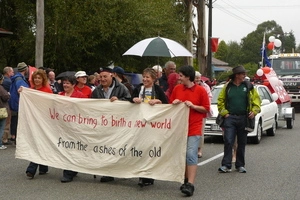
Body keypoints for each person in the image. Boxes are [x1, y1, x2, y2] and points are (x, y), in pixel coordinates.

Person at [169, 65, 210, 197]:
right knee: (183, 154)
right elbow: (170, 107)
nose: (179, 78)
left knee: (191, 153)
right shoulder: (177, 89)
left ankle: (191, 184)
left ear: (188, 77)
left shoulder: (201, 91)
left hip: (194, 127)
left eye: (181, 76)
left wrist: (193, 106)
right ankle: (186, 180)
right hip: (180, 127)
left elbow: (206, 109)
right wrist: (174, 103)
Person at [217, 66, 261, 174]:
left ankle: (240, 165)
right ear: (236, 75)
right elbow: (220, 100)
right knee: (228, 141)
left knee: (242, 142)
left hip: (243, 118)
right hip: (230, 118)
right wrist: (224, 113)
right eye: (242, 74)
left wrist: (254, 111)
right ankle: (226, 165)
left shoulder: (249, 86)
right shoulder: (227, 87)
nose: (244, 76)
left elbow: (257, 101)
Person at [91, 67, 131, 183]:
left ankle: (119, 170)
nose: (102, 79)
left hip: (117, 124)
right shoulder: (97, 90)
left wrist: (119, 101)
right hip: (102, 124)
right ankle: (107, 171)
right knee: (105, 147)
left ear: (111, 76)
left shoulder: (121, 88)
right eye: (101, 77)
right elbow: (90, 106)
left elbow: (129, 101)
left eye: (105, 77)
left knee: (117, 146)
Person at [131, 68, 168, 187]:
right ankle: (143, 174)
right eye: (144, 76)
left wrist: (158, 101)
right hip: (139, 123)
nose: (145, 79)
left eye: (148, 77)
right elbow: (129, 101)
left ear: (153, 79)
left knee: (150, 149)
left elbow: (167, 104)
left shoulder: (157, 90)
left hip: (153, 124)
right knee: (141, 148)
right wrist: (134, 99)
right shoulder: (138, 88)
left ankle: (149, 175)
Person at [25, 69, 53, 178]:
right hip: (33, 120)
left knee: (38, 142)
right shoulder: (31, 90)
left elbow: (50, 105)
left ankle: (31, 169)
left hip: (43, 120)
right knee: (39, 142)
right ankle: (43, 167)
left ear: (43, 79)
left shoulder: (46, 90)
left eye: (39, 78)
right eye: (35, 78)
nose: (37, 80)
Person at [59, 75, 85, 183]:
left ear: (73, 85)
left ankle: (71, 171)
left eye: (67, 83)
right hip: (63, 127)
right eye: (64, 83)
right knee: (66, 148)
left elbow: (85, 110)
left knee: (74, 148)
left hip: (76, 127)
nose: (65, 85)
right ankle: (69, 172)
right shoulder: (59, 95)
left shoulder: (80, 96)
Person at [9, 62, 30, 143]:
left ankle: (15, 137)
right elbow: (22, 92)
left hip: (15, 103)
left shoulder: (16, 78)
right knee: (18, 121)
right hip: (19, 104)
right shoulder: (20, 80)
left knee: (15, 120)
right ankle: (17, 139)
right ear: (25, 69)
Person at [194, 71, 212, 158]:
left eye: (198, 78)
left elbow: (209, 99)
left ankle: (199, 149)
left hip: (201, 111)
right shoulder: (190, 86)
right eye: (195, 78)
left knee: (200, 132)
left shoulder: (205, 87)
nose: (197, 80)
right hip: (192, 111)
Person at [2, 66, 14, 145]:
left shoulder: (3, 80)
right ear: (8, 72)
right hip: (5, 105)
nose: (13, 73)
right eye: (12, 72)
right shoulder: (8, 82)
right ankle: (4, 139)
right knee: (6, 122)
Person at [0, 74, 10, 150]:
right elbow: (5, 96)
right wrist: (8, 94)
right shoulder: (1, 88)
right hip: (1, 109)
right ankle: (0, 144)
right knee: (1, 127)